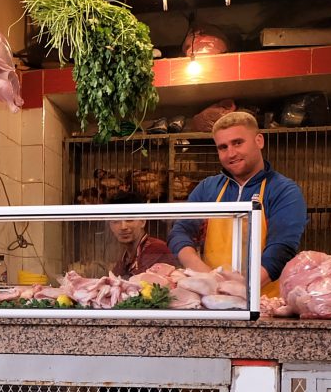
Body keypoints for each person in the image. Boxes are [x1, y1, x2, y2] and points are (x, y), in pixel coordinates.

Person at [167, 111, 307, 296]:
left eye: (238, 143)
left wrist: (244, 289)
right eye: (223, 147)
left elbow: (281, 248)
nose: (231, 153)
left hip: (264, 303)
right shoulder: (208, 188)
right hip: (214, 298)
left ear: (259, 141)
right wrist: (208, 277)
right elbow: (180, 231)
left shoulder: (284, 190)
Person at [108, 193, 176, 279]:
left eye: (129, 219)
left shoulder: (156, 249)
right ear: (110, 225)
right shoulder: (125, 256)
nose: (123, 227)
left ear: (143, 221)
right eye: (116, 221)